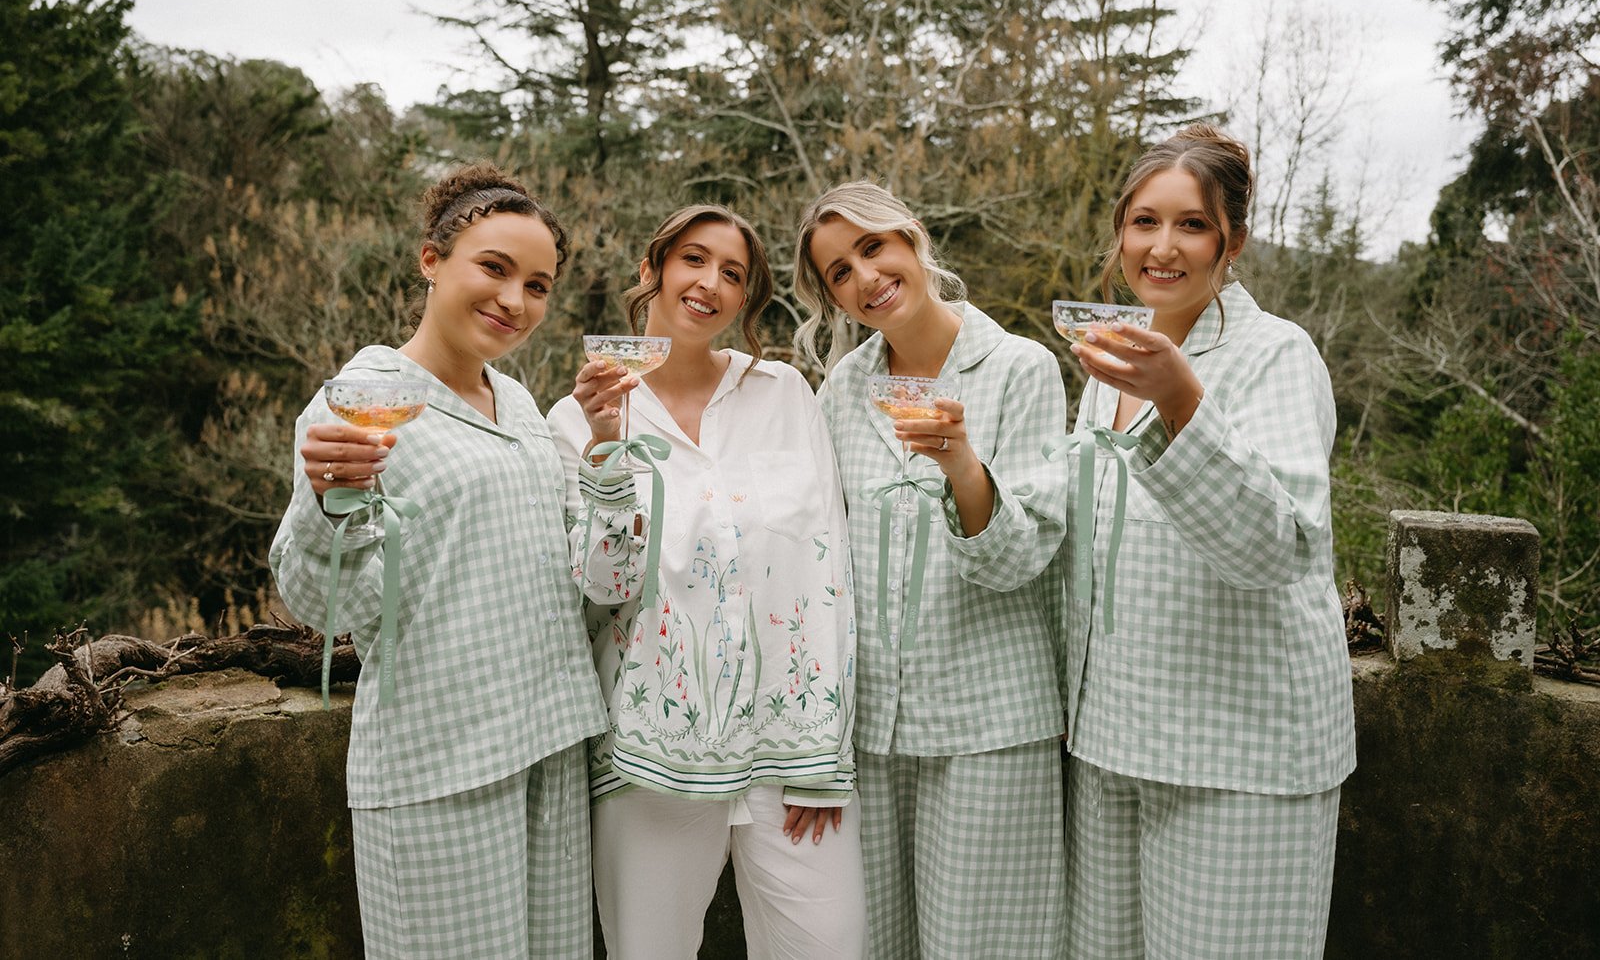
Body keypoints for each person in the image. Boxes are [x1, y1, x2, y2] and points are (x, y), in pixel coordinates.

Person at [268, 164, 607, 960]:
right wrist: (327, 501)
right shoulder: (360, 400)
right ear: (431, 260)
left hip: (552, 750)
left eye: (538, 284)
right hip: (439, 760)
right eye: (493, 268)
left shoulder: (519, 402)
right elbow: (321, 602)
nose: (514, 300)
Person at [1057, 123, 1357, 958]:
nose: (1162, 246)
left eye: (1190, 223)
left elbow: (1276, 549)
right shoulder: (1108, 362)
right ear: (1120, 234)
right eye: (1143, 221)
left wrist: (1184, 399)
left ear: (1234, 240)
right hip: (1115, 738)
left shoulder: (1276, 355)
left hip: (1242, 751)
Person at [548, 205, 865, 960]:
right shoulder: (572, 418)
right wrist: (605, 450)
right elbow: (603, 585)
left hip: (791, 757)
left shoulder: (785, 393)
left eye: (734, 273)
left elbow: (829, 565)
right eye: (694, 259)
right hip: (650, 760)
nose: (710, 282)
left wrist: (823, 756)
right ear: (654, 269)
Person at [793, 182, 1071, 959]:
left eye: (872, 248)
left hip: (988, 725)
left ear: (911, 239)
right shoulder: (841, 390)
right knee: (873, 945)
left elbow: (1021, 558)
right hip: (869, 733)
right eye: (838, 272)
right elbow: (817, 551)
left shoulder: (1021, 369)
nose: (865, 278)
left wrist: (959, 461)